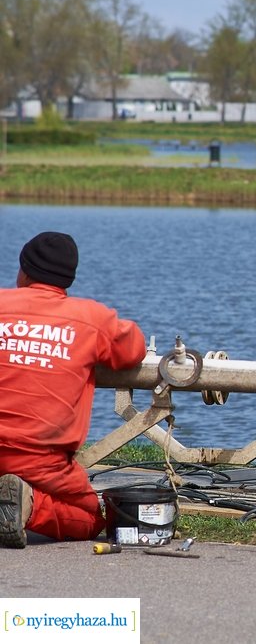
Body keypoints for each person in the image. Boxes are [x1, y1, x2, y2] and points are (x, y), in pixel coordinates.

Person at [0, 232, 147, 548]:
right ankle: (28, 508)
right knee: (91, 518)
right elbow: (134, 349)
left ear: (23, 271)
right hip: (41, 457)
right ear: (68, 278)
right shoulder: (92, 318)